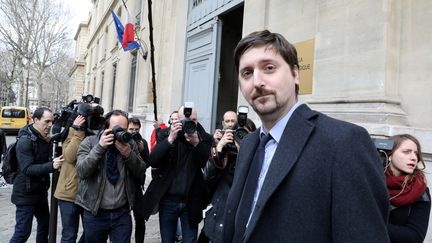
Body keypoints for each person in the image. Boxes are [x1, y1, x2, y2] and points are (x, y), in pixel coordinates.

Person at [221, 30, 389, 243]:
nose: (257, 81)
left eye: (269, 68)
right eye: (247, 73)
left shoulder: (344, 142)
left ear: (295, 74)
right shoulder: (248, 144)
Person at [141, 106, 213, 243]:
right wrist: (170, 139)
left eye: (193, 120)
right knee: (167, 239)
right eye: (185, 120)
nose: (190, 123)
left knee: (190, 240)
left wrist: (196, 143)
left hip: (191, 200)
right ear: (177, 120)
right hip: (168, 200)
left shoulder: (204, 137)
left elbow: (207, 165)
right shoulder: (166, 134)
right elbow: (152, 160)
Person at [75, 110, 146, 243]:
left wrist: (129, 155)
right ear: (106, 128)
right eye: (116, 129)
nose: (120, 133)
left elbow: (141, 171)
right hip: (95, 213)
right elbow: (81, 171)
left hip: (122, 214)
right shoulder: (90, 142)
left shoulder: (129, 144)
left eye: (123, 129)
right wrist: (99, 148)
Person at [10, 107, 64, 243]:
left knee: (45, 227)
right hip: (25, 195)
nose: (50, 125)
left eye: (52, 121)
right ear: (35, 120)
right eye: (47, 121)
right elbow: (27, 169)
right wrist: (52, 166)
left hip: (39, 193)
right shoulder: (25, 141)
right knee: (22, 233)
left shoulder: (43, 137)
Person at [202, 116, 256, 243]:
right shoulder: (227, 155)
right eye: (239, 134)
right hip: (218, 219)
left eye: (246, 135)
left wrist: (244, 151)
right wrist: (219, 148)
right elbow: (207, 176)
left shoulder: (257, 156)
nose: (242, 138)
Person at [385, 134, 430, 243]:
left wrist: (371, 225)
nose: (414, 157)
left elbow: (415, 237)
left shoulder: (420, 189)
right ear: (389, 155)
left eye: (416, 153)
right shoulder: (371, 181)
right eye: (406, 152)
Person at [54, 115, 87, 243]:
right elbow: (69, 156)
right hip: (69, 193)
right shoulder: (71, 132)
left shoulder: (96, 133)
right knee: (69, 235)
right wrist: (77, 131)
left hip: (89, 193)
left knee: (91, 232)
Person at [127, 117, 149, 243]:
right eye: (131, 129)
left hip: (137, 185)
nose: (134, 132)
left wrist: (141, 150)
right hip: (125, 184)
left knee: (140, 216)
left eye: (136, 129)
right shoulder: (122, 141)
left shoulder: (143, 142)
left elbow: (147, 163)